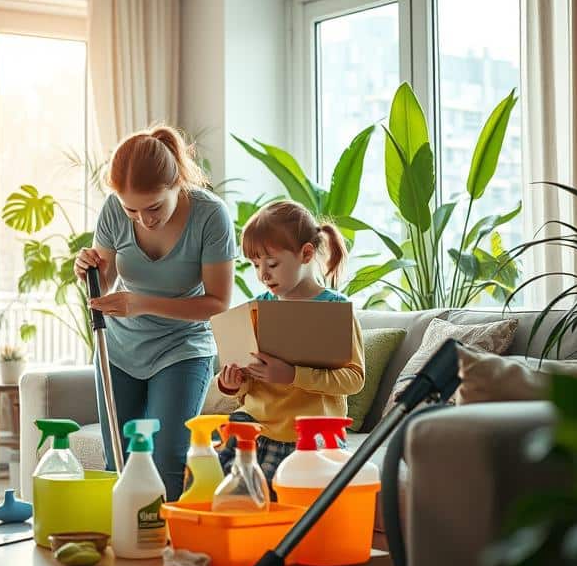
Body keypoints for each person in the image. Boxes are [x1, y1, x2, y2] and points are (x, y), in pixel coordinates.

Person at [74, 125, 235, 500]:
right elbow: (107, 279)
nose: (144, 220)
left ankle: (166, 552)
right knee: (120, 460)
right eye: (132, 210)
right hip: (119, 350)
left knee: (166, 458)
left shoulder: (211, 217)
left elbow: (217, 303)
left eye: (154, 208)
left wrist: (142, 303)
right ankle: (127, 548)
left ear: (177, 181)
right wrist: (88, 271)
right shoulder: (114, 211)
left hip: (182, 349)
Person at [216, 201, 365, 485]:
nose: (263, 274)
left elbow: (354, 379)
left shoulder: (335, 311)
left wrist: (293, 375)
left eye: (272, 264)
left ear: (306, 254)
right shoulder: (256, 311)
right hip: (255, 426)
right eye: (255, 265)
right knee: (211, 471)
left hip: (312, 435)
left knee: (287, 502)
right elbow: (250, 381)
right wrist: (234, 383)